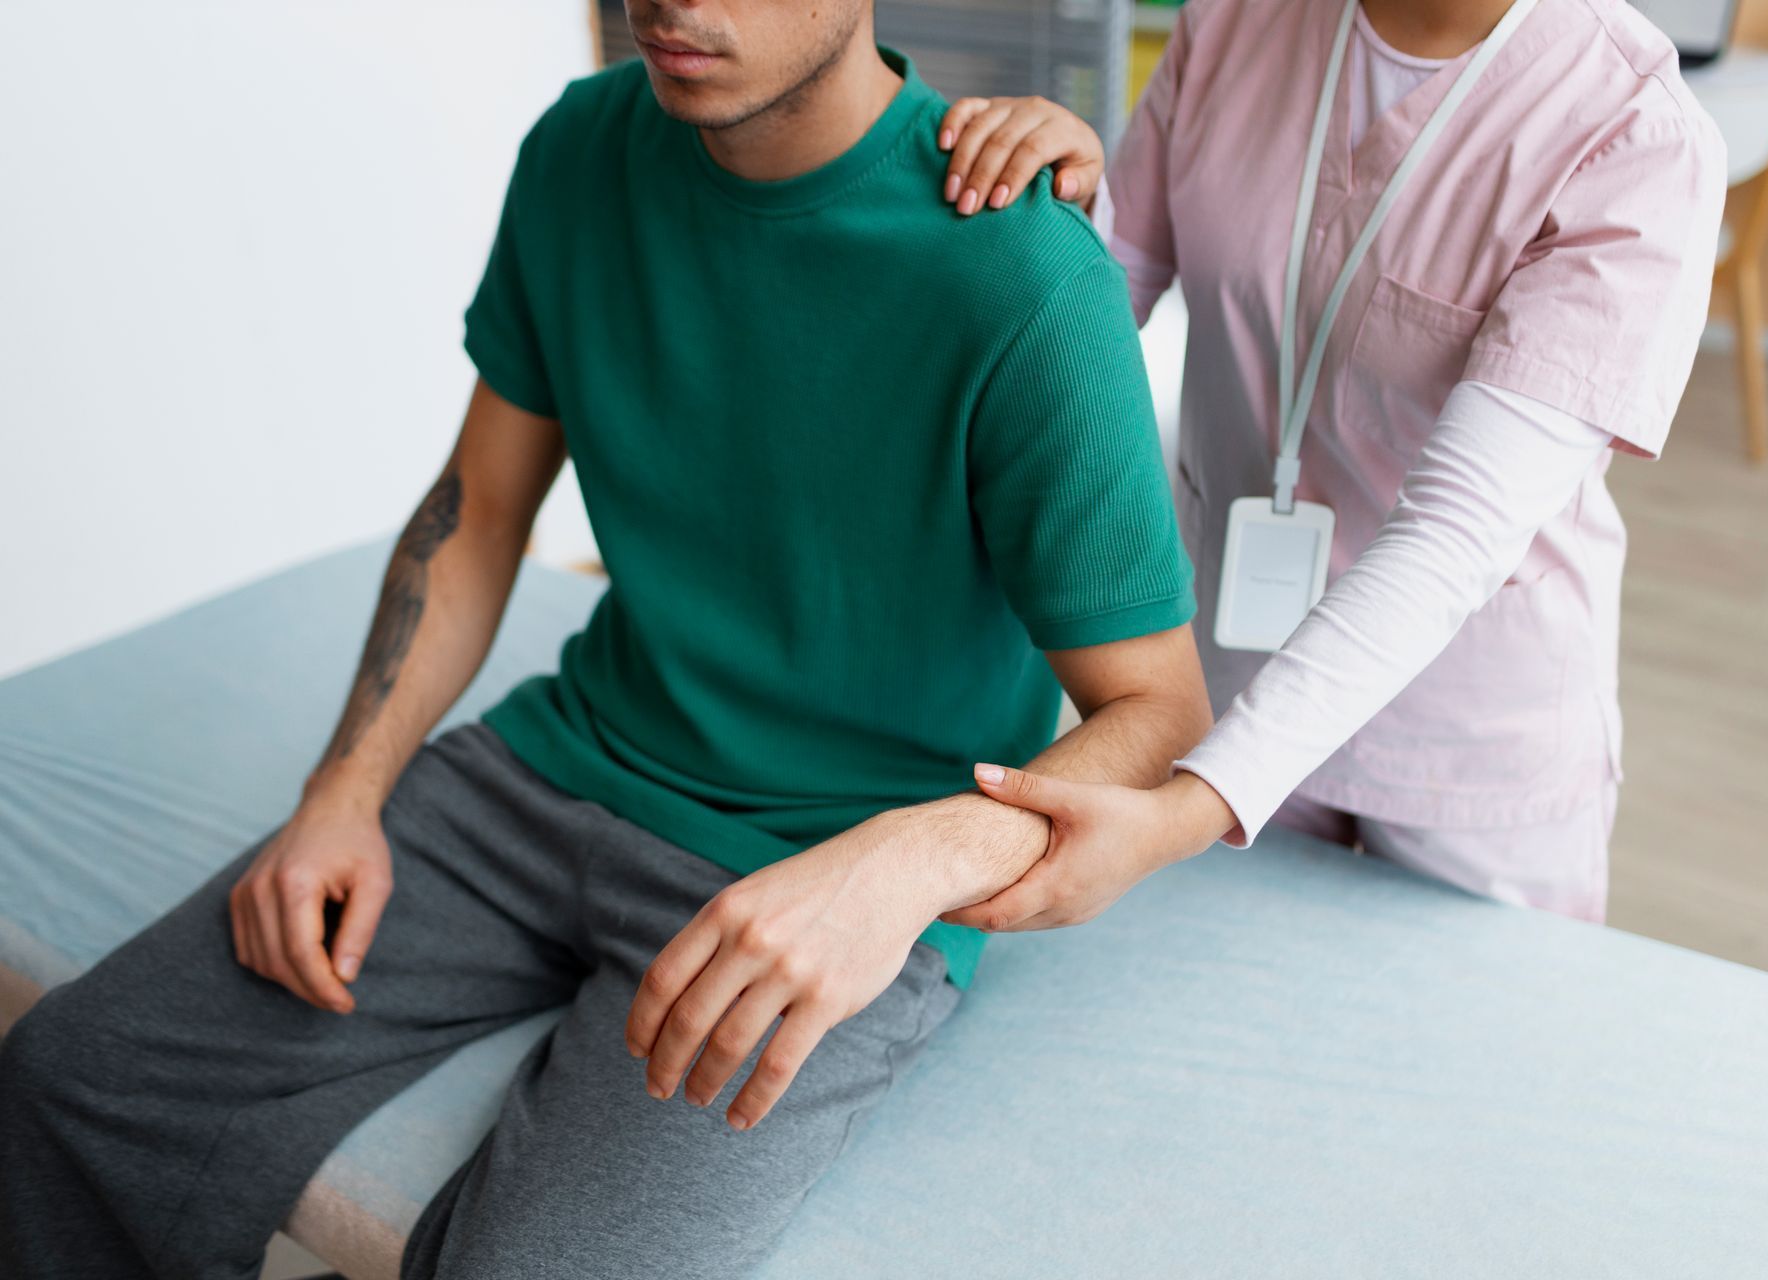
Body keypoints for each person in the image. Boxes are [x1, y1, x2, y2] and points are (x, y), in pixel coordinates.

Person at [0, 1, 1210, 1274]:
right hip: (553, 771)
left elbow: (1156, 710)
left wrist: (899, 875)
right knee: (72, 1081)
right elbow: (476, 516)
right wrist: (343, 788)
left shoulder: (1021, 273)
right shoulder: (582, 146)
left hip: (816, 868)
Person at [926, 0, 1725, 935]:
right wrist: (1062, 203)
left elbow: (1454, 534)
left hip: (1462, 731)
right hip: (1225, 666)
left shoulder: (1632, 131)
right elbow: (1092, 321)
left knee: (1462, 1056)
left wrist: (1188, 810)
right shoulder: (1235, 23)